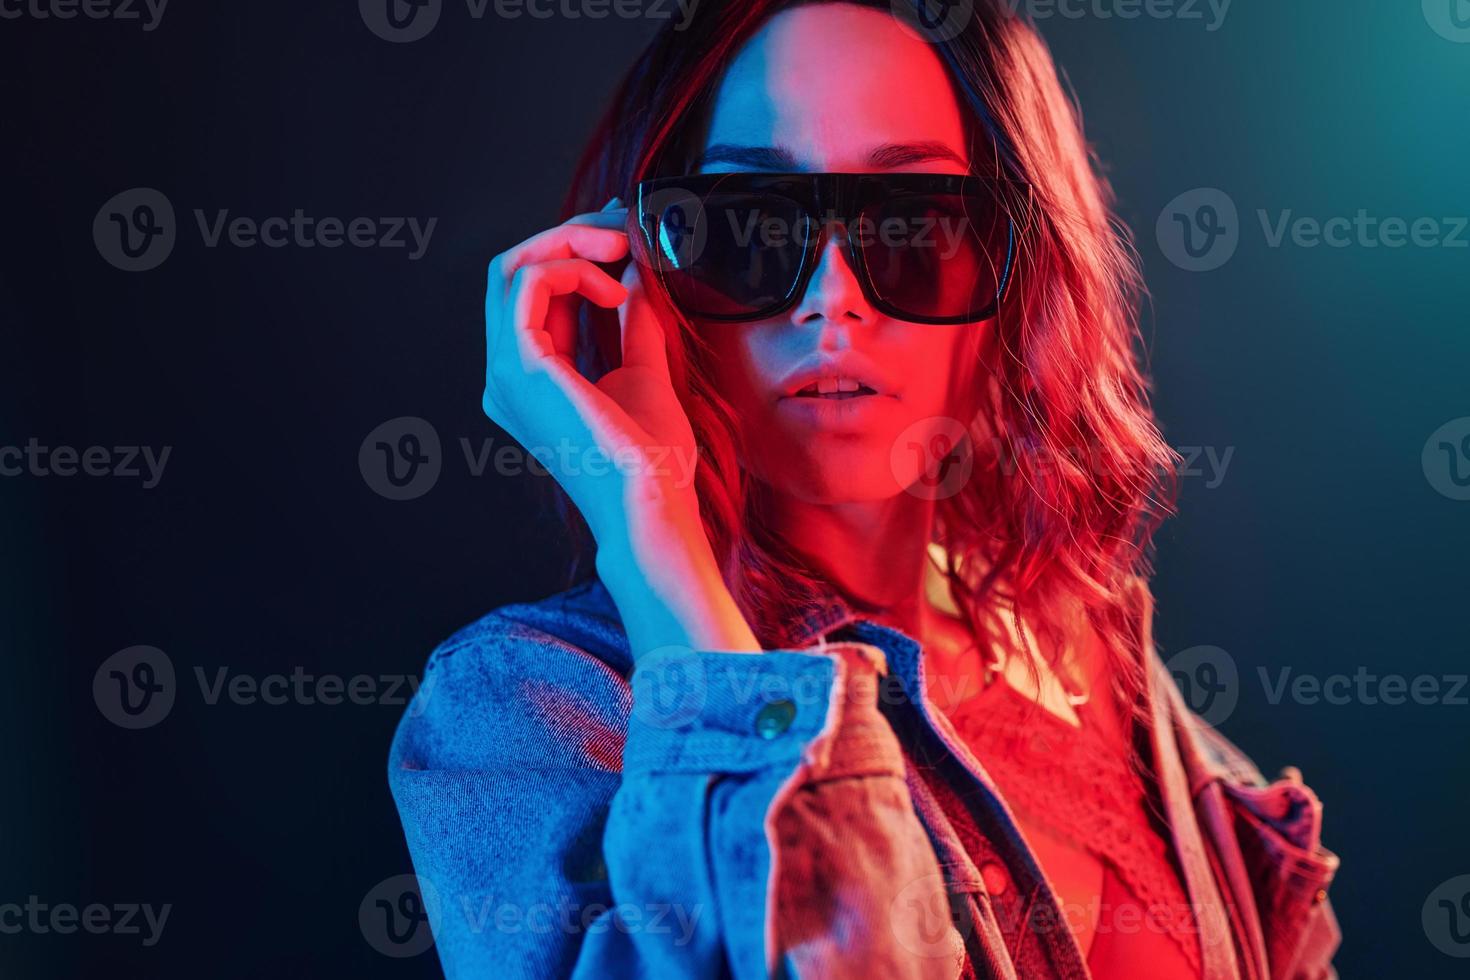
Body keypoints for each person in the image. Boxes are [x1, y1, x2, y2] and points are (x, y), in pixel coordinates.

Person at [388, 2, 1341, 976]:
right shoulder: (533, 711)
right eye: (750, 224)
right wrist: (649, 527)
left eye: (912, 222)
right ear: (643, 272)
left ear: (1023, 271)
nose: (831, 295)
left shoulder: (1103, 668)